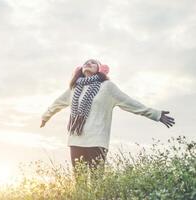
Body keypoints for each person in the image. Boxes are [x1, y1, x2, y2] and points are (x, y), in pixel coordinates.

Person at [40, 58, 175, 181]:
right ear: (80, 69)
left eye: (93, 62)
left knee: (96, 182)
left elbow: (131, 103)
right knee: (79, 184)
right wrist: (45, 117)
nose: (88, 63)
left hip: (97, 141)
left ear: (99, 69)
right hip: (76, 140)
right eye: (86, 62)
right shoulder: (74, 89)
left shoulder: (107, 87)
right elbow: (57, 103)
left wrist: (156, 114)